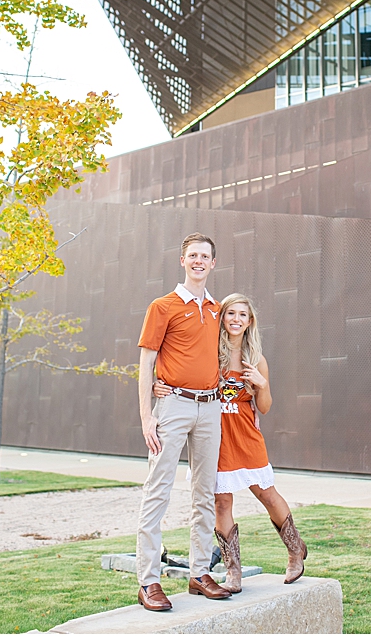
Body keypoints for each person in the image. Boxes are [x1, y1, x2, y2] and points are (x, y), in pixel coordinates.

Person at [154, 293, 308, 592]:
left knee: (266, 493)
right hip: (214, 432)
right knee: (221, 500)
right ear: (221, 318)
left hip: (245, 433)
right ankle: (233, 570)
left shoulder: (256, 360)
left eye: (242, 315)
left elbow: (264, 406)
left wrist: (261, 384)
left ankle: (295, 551)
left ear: (250, 322)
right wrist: (160, 383)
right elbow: (179, 366)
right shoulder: (210, 353)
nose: (236, 320)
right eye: (230, 314)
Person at [133, 232, 231, 612]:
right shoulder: (163, 306)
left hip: (209, 409)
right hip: (171, 406)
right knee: (157, 491)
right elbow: (145, 363)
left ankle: (199, 573)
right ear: (182, 260)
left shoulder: (217, 308)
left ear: (213, 263)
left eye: (205, 256)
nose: (198, 261)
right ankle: (149, 581)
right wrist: (146, 416)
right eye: (192, 255)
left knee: (204, 493)